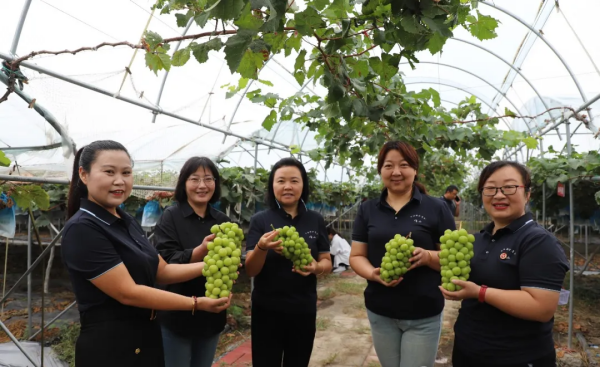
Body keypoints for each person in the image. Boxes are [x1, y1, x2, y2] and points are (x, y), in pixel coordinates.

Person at [61, 141, 231, 367]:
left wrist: (213, 266)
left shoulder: (125, 220)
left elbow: (162, 270)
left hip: (146, 336)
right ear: (84, 174)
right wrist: (196, 303)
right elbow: (128, 293)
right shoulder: (83, 228)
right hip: (112, 347)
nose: (119, 181)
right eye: (109, 172)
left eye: (126, 172)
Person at [440, 161, 569, 367]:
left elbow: (541, 307)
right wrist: (426, 256)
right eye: (490, 188)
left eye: (509, 187)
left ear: (527, 194)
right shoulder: (481, 238)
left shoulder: (538, 242)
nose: (499, 195)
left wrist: (479, 292)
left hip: (517, 358)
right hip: (468, 351)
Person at [350, 141, 456, 367]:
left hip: (423, 313)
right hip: (380, 310)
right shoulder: (368, 209)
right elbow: (357, 256)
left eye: (404, 165)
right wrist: (373, 274)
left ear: (415, 170)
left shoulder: (436, 208)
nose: (396, 172)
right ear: (380, 170)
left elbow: (453, 260)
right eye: (388, 166)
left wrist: (427, 257)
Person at [245, 157, 332, 367]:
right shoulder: (260, 220)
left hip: (303, 309)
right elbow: (250, 269)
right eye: (281, 181)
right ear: (272, 185)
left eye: (294, 181)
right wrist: (262, 247)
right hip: (267, 310)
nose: (287, 187)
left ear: (303, 185)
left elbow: (326, 261)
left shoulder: (315, 219)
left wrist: (316, 267)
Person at [153, 157, 232, 367]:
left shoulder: (223, 221)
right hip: (177, 314)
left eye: (208, 179)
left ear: (215, 183)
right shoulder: (170, 217)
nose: (202, 185)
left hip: (211, 314)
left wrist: (228, 281)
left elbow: (229, 263)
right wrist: (200, 251)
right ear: (184, 183)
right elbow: (165, 262)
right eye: (194, 179)